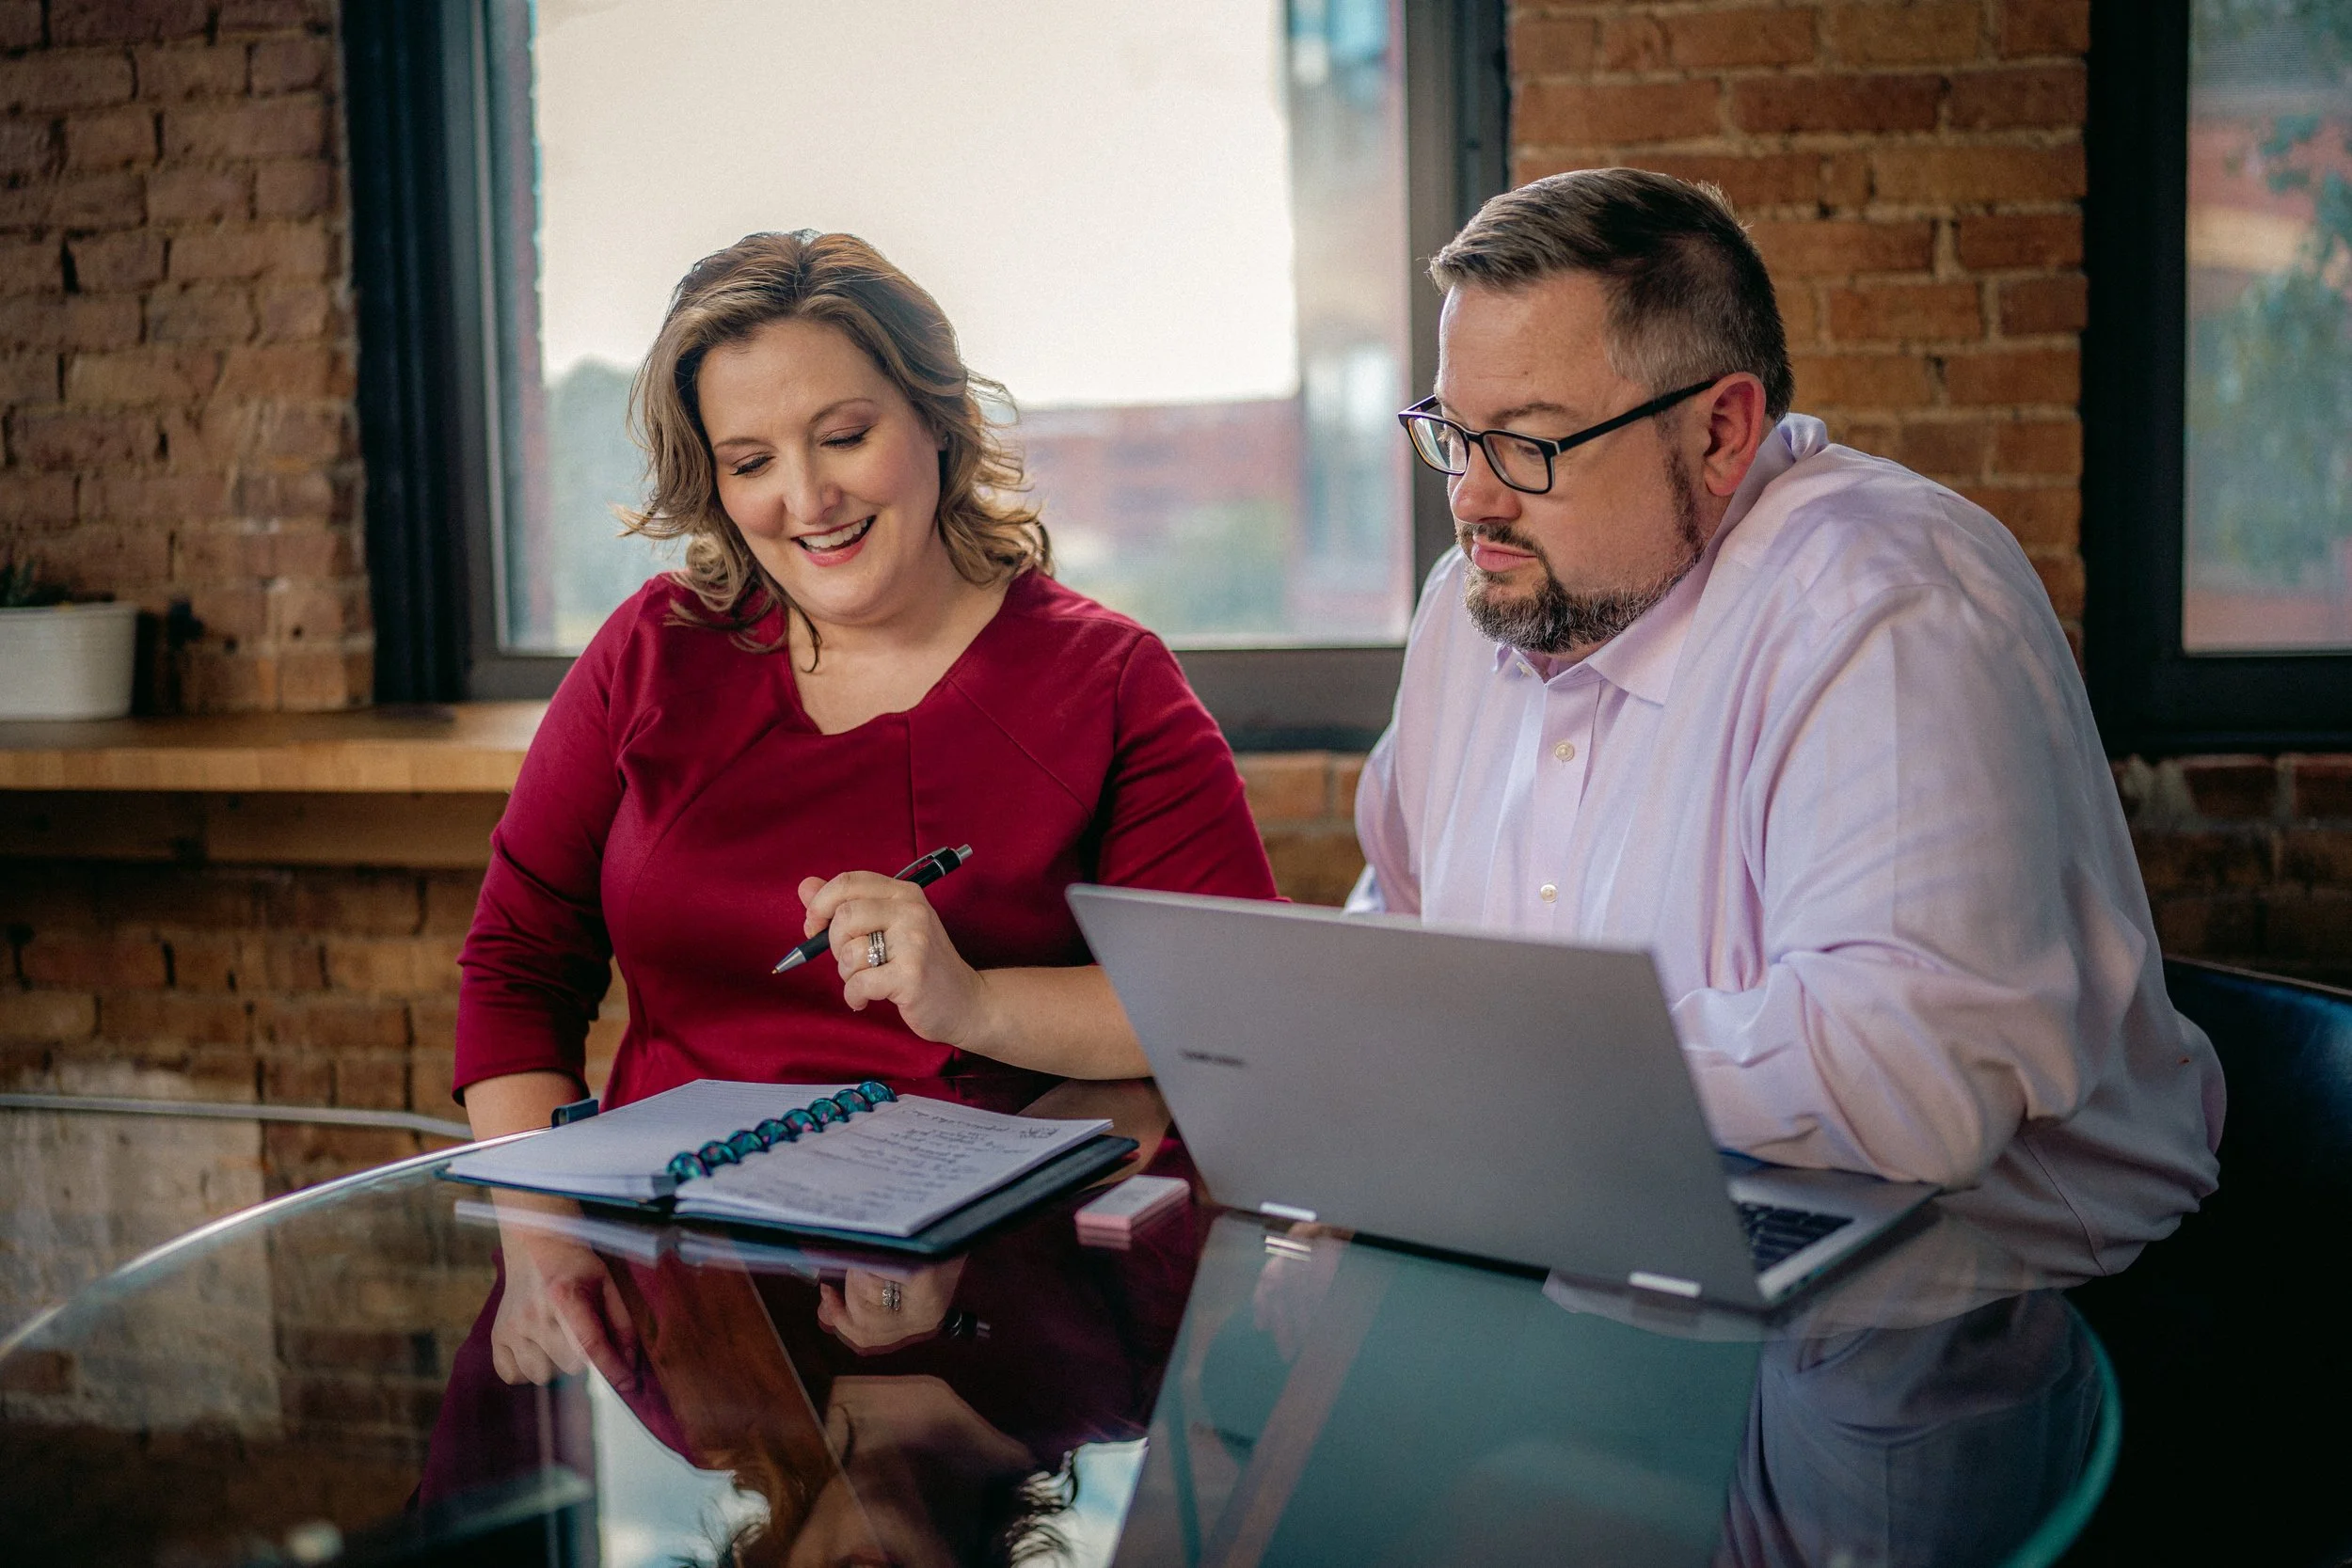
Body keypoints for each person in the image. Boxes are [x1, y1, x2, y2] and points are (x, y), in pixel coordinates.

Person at [1352, 168, 2223, 1276]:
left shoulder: (1884, 603)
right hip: (1607, 1247)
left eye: (1530, 443)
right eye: (1451, 433)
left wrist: (1508, 1062)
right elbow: (1398, 915)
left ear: (1721, 431)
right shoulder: (1467, 610)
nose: (1472, 498)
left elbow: (1910, 1076)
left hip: (1976, 1310)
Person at [454, 230, 1276, 1383]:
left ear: (936, 417)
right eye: (749, 461)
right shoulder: (653, 649)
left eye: (845, 435)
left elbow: (1229, 1013)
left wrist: (975, 1002)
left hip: (993, 1293)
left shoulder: (1108, 681)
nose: (806, 498)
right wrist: (543, 1237)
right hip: (662, 1297)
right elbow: (515, 964)